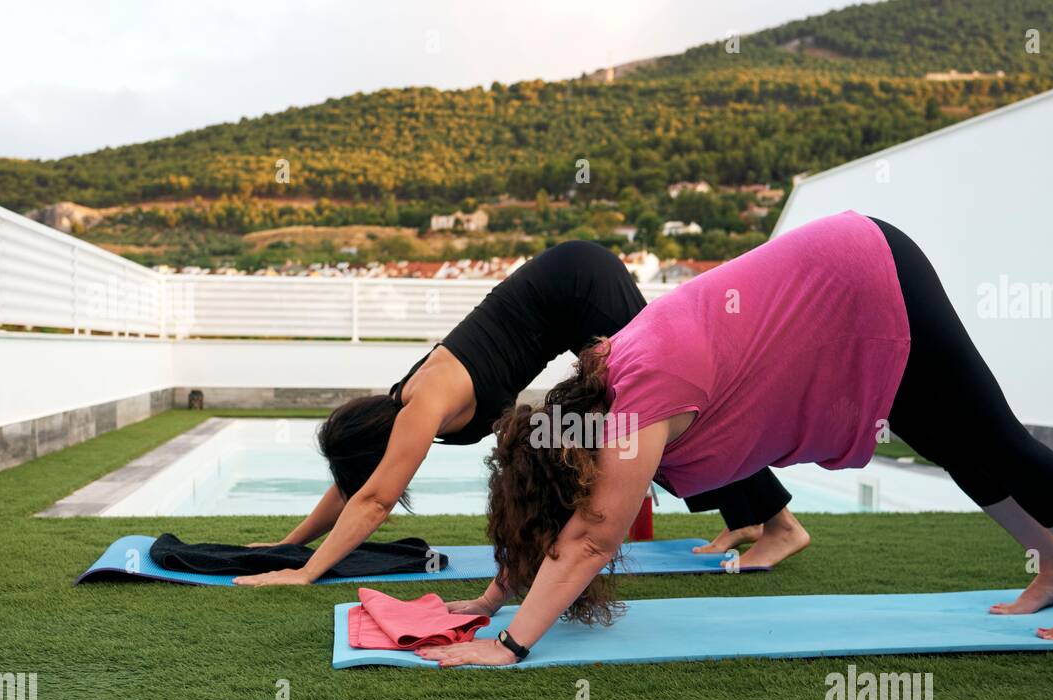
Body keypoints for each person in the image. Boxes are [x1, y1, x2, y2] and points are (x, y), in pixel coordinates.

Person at [419, 211, 1053, 666]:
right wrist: (492, 597)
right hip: (846, 297)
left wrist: (510, 644)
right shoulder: (605, 371)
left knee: (995, 438)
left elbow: (589, 537)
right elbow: (561, 518)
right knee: (958, 443)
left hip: (867, 278)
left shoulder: (637, 404)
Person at [234, 240, 808, 586]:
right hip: (566, 301)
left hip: (581, 287)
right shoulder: (398, 404)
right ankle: (748, 516)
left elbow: (375, 498)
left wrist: (308, 572)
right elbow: (355, 483)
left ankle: (779, 525)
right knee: (633, 429)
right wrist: (291, 545)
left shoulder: (420, 406)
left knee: (661, 419)